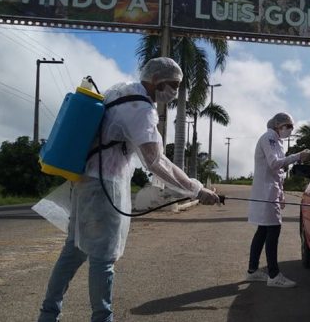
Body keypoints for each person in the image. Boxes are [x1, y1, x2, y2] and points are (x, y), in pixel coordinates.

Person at [37, 57, 220, 322]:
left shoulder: (120, 90)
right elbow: (155, 161)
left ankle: (48, 314)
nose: (175, 92)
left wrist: (194, 189)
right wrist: (197, 190)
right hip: (104, 186)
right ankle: (103, 318)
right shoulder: (140, 108)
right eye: (173, 85)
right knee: (103, 258)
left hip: (85, 180)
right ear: (156, 80)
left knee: (74, 250)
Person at [245, 112, 310, 288]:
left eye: (291, 127)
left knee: (263, 230)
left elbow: (278, 173)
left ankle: (252, 271)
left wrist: (281, 194)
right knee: (273, 230)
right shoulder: (269, 137)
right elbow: (274, 164)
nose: (289, 130)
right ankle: (274, 275)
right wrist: (298, 156)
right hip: (265, 193)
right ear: (278, 125)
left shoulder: (277, 141)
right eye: (287, 126)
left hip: (270, 192)